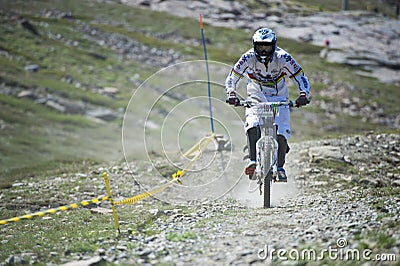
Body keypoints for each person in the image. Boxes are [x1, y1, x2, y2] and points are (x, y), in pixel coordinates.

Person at [225, 28, 310, 181]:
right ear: (254, 46)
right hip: (256, 95)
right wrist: (231, 93)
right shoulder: (248, 57)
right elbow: (233, 76)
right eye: (260, 46)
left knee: (281, 130)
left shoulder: (283, 57)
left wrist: (304, 94)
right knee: (252, 124)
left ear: (274, 45)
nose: (263, 50)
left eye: (267, 46)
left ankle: (280, 167)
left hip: (279, 97)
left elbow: (300, 76)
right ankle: (252, 161)